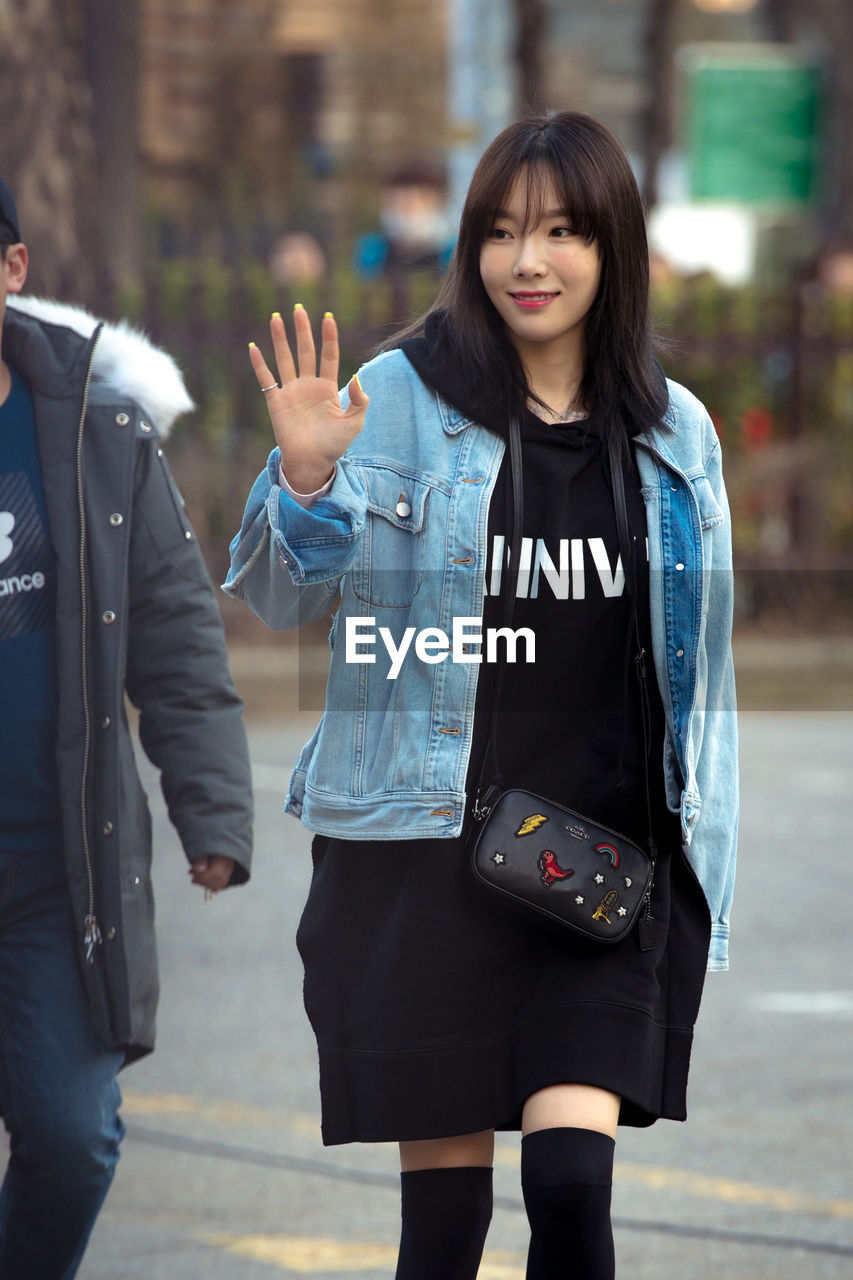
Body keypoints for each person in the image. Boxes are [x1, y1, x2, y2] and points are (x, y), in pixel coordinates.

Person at [225, 111, 738, 1279]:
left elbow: (699, 685)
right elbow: (275, 594)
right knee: (444, 1231)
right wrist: (303, 480)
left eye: (563, 231)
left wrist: (705, 864)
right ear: (471, 247)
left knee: (569, 1187)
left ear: (613, 251)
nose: (529, 261)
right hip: (423, 861)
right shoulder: (393, 398)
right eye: (502, 231)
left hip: (596, 865)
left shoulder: (674, 435)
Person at [0, 177, 253, 1279]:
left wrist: (212, 809)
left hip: (57, 873)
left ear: (10, 271)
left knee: (71, 1134)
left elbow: (176, 639)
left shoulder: (99, 438)